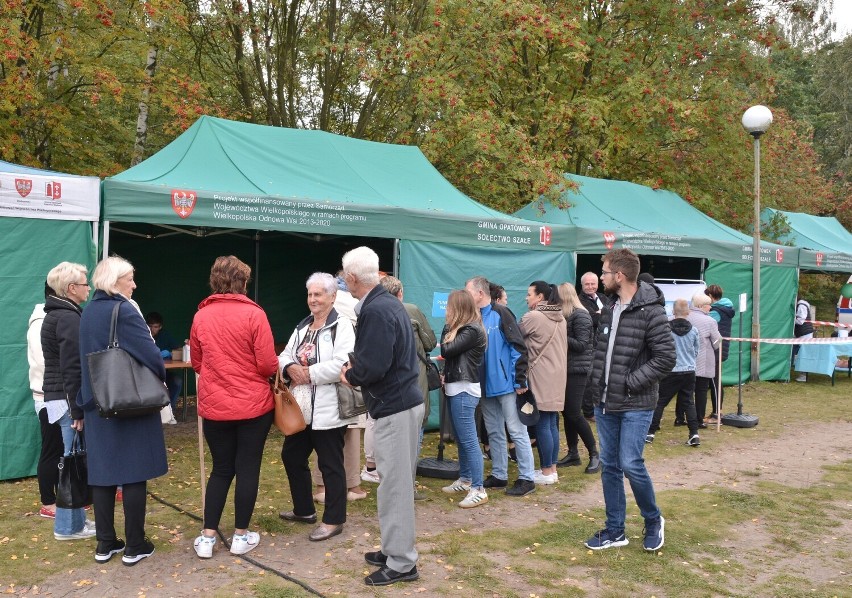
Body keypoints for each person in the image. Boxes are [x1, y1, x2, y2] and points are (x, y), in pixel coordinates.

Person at [338, 246, 424, 587]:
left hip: (396, 407)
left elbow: (373, 365)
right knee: (391, 484)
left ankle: (403, 563)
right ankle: (394, 549)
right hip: (398, 403)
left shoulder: (376, 309)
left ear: (351, 278)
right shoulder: (385, 303)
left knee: (395, 488)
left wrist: (350, 373)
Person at [583, 248, 675, 552]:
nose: (601, 277)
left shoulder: (652, 310)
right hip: (606, 401)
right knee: (609, 465)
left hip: (637, 402)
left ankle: (652, 519)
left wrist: (631, 381)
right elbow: (602, 351)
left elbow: (666, 358)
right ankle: (615, 530)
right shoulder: (609, 307)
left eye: (605, 272)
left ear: (619, 276)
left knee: (630, 463)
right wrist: (596, 385)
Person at [78, 256, 168, 565]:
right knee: (133, 474)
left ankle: (105, 544)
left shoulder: (88, 311)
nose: (134, 284)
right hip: (129, 401)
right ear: (115, 281)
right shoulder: (125, 310)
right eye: (130, 278)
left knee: (102, 475)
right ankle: (134, 544)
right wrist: (161, 375)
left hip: (96, 402)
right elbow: (152, 356)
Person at [189, 256, 278, 559]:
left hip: (216, 406)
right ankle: (241, 535)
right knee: (247, 467)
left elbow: (198, 362)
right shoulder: (255, 315)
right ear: (242, 281)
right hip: (253, 404)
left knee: (221, 469)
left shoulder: (201, 316)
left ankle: (207, 536)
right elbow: (267, 363)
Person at [278, 272, 359, 541]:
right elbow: (284, 356)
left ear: (332, 296)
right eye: (310, 294)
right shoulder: (303, 326)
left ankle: (334, 520)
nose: (313, 299)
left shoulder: (342, 326)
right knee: (292, 456)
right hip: (302, 408)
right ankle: (304, 510)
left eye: (318, 294)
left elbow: (342, 364)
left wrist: (308, 373)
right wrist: (289, 367)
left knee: (330, 464)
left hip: (329, 409)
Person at [464, 276, 536, 497]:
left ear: (480, 293)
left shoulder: (501, 313)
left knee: (516, 431)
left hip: (507, 386)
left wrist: (520, 379)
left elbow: (519, 347)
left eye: (468, 291)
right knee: (494, 431)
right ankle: (499, 475)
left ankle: (527, 478)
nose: (465, 295)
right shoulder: (473, 318)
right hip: (485, 386)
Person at [41, 262, 96, 542]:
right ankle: (67, 526)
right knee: (71, 462)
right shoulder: (67, 317)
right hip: (65, 398)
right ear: (72, 288)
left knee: (71, 458)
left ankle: (76, 522)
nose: (89, 287)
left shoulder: (59, 313)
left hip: (58, 395)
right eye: (85, 283)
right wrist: (78, 408)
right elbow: (72, 366)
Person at [379, 275, 437, 501]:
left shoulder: (374, 313)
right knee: (415, 434)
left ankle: (390, 484)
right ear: (400, 293)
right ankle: (407, 486)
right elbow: (430, 342)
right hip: (414, 380)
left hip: (387, 386)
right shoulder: (411, 310)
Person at [439, 290, 488, 507]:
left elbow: (447, 349)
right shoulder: (464, 328)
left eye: (449, 306)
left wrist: (447, 326)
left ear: (457, 308)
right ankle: (466, 479)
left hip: (464, 389)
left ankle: (479, 488)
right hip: (455, 386)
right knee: (461, 437)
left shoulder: (471, 330)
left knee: (469, 439)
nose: (446, 310)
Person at [519, 281, 567, 486]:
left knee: (542, 425)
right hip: (557, 375)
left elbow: (514, 336)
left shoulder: (534, 317)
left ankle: (547, 471)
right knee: (551, 423)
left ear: (540, 297)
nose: (526, 297)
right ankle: (552, 469)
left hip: (540, 375)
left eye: (529, 294)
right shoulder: (561, 317)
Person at [555, 283, 600, 473]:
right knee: (566, 412)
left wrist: (559, 334)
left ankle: (595, 454)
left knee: (574, 413)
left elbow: (581, 344)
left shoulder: (580, 315)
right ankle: (573, 453)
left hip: (578, 370)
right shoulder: (567, 315)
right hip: (567, 368)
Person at [28, 282, 63, 520]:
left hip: (58, 394)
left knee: (62, 449)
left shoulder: (51, 319)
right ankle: (47, 502)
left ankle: (64, 496)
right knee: (51, 449)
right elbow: (43, 363)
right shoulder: (41, 323)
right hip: (48, 395)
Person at [646, 299, 701, 447]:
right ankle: (694, 434)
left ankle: (650, 433)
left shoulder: (666, 329)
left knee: (661, 401)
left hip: (670, 371)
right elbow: (696, 351)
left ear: (673, 312)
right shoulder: (694, 330)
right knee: (689, 402)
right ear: (688, 312)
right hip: (689, 371)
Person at [688, 293, 721, 425]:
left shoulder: (686, 317)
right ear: (702, 306)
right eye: (709, 305)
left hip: (686, 361)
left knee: (686, 391)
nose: (710, 308)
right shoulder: (710, 321)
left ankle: (682, 417)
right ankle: (698, 419)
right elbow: (717, 342)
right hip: (703, 361)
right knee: (701, 391)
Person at [144, 312, 183, 421]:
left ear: (160, 327)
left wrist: (170, 353)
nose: (152, 329)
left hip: (164, 371)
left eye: (155, 327)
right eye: (150, 326)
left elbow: (178, 349)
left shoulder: (165, 335)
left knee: (177, 381)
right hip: (147, 373)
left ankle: (171, 410)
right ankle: (153, 414)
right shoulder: (143, 334)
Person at [704, 284, 733, 421]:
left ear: (710, 296)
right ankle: (717, 411)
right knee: (715, 380)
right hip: (721, 348)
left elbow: (706, 325)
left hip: (715, 349)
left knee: (714, 381)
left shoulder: (716, 311)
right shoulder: (726, 308)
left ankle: (717, 413)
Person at [793, 296, 814, 382]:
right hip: (803, 333)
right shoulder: (801, 305)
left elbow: (800, 321)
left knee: (803, 354)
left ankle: (803, 375)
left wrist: (791, 319)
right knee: (800, 353)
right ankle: (802, 374)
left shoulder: (801, 305)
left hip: (805, 334)